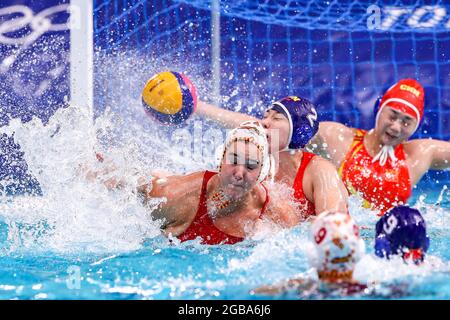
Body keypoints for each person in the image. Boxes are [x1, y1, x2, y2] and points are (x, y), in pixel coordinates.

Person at [90, 123, 301, 245]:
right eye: (233, 162)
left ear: (261, 173)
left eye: (251, 166)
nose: (239, 173)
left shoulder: (275, 210)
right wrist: (114, 174)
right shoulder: (180, 197)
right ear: (220, 162)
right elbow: (140, 190)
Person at [309, 79, 450, 214]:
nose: (396, 127)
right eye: (392, 116)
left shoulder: (417, 155)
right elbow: (293, 136)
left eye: (406, 122)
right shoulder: (339, 139)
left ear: (416, 127)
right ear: (379, 109)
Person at [196, 96, 349, 218]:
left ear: (298, 132)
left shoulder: (320, 171)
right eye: (265, 116)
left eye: (276, 118)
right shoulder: (253, 164)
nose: (264, 122)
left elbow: (335, 226)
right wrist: (197, 107)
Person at [252, 211, 368, 297]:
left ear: (312, 254)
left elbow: (254, 292)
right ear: (360, 250)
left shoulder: (298, 288)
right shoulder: (374, 288)